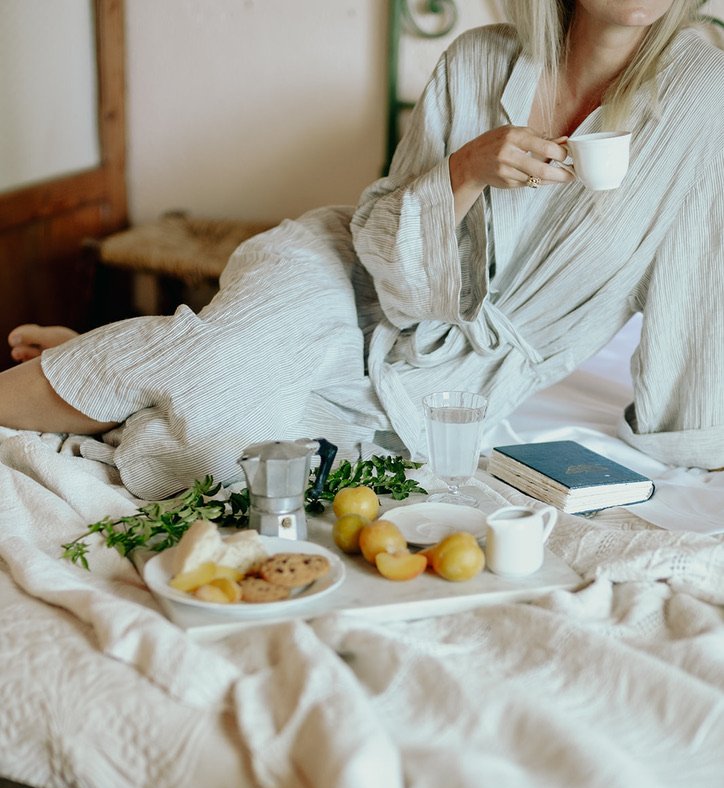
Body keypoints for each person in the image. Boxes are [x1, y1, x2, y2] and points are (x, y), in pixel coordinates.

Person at [3, 0, 723, 499]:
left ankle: (127, 369)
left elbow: (699, 282)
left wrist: (693, 439)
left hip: (462, 375)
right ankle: (142, 365)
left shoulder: (702, 94)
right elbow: (394, 275)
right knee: (218, 375)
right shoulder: (478, 60)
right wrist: (466, 169)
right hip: (344, 276)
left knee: (226, 455)